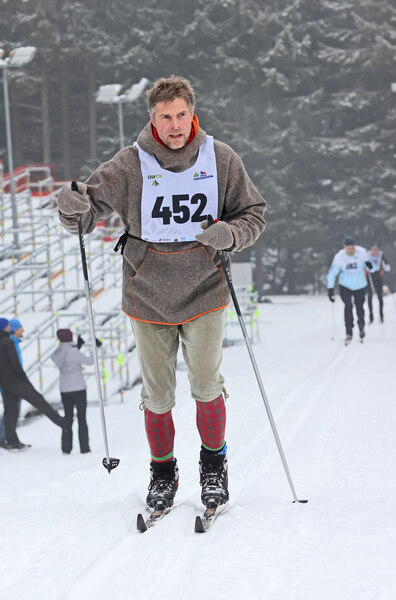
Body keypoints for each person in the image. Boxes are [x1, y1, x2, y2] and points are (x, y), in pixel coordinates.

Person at [56, 75, 266, 510]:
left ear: (193, 114)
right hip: (147, 291)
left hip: (205, 285)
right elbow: (85, 213)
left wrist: (230, 234)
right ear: (153, 118)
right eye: (166, 116)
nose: (174, 125)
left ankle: (214, 467)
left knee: (206, 385)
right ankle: (163, 473)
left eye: (181, 115)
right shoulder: (130, 164)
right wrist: (69, 205)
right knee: (157, 395)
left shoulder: (220, 158)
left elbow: (253, 214)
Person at [0, 318, 66, 450]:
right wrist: (23, 377)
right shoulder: (8, 342)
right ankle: (62, 422)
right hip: (17, 382)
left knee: (10, 412)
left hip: (5, 384)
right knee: (38, 401)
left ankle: (12, 442)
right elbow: (15, 363)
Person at [50, 329, 95, 454]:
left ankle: (66, 447)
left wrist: (77, 346)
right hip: (78, 387)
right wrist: (94, 349)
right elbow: (90, 361)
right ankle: (84, 447)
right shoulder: (73, 351)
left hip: (65, 389)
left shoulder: (59, 351)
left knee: (68, 418)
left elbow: (67, 357)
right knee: (82, 418)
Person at [327, 237, 374, 343]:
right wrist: (330, 289)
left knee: (359, 307)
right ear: (344, 247)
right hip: (345, 285)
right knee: (348, 306)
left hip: (360, 284)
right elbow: (332, 273)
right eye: (348, 248)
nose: (350, 250)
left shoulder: (362, 253)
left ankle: (361, 326)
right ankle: (349, 331)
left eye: (352, 248)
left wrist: (369, 265)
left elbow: (372, 268)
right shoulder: (340, 256)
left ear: (354, 247)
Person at [0, 318, 24, 445]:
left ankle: (11, 438)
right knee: (11, 412)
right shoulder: (8, 343)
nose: (23, 330)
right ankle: (3, 438)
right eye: (20, 328)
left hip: (16, 383)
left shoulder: (14, 342)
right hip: (10, 384)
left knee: (14, 412)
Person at [366, 243, 391, 323]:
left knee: (380, 296)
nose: (375, 251)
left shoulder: (381, 256)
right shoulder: (367, 255)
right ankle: (371, 317)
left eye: (377, 249)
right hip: (369, 278)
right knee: (370, 296)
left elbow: (388, 269)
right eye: (373, 249)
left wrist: (385, 262)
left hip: (378, 278)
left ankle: (381, 316)